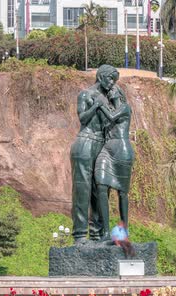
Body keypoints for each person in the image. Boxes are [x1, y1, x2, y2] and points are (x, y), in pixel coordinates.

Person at [70, 65, 117, 244]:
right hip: (85, 143)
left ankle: (97, 234)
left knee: (101, 189)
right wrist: (96, 105)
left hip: (101, 145)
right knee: (82, 189)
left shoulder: (109, 98)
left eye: (115, 80)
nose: (112, 83)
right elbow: (82, 118)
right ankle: (80, 235)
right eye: (110, 79)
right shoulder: (85, 94)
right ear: (101, 76)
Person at [94, 83, 134, 241]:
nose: (110, 92)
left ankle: (123, 232)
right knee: (101, 185)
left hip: (122, 151)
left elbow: (112, 117)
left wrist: (100, 105)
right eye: (108, 91)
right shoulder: (109, 109)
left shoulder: (125, 108)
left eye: (113, 90)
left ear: (120, 93)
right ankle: (104, 232)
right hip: (106, 150)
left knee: (122, 193)